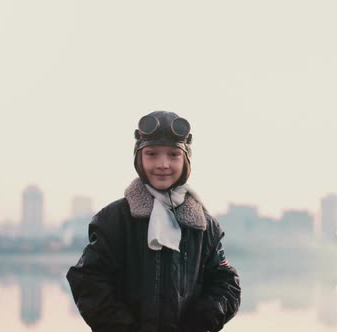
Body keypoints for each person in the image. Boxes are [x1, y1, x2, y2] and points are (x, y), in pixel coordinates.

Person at [66, 111, 241, 332]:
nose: (163, 164)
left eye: (173, 155)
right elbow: (87, 279)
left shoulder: (204, 226)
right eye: (152, 154)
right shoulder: (114, 219)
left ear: (186, 160)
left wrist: (200, 322)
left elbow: (225, 284)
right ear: (139, 158)